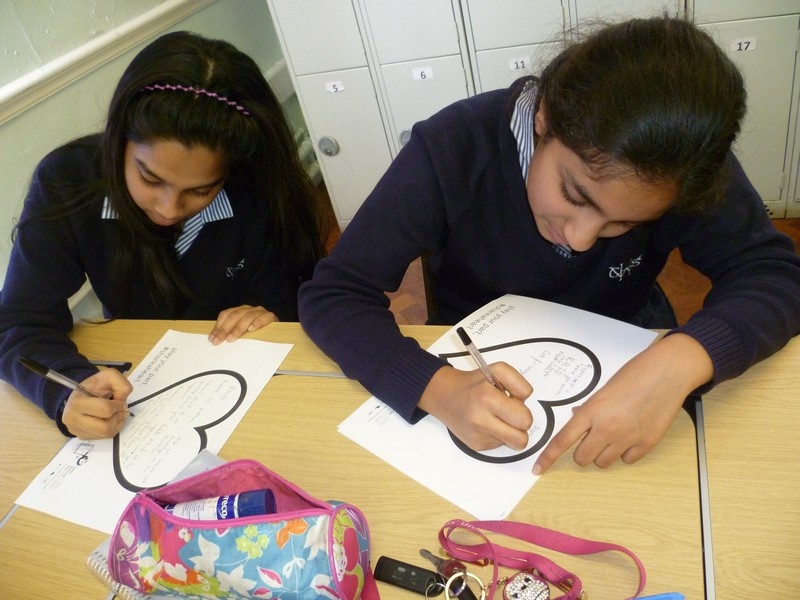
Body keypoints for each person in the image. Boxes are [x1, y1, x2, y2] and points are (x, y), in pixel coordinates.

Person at [298, 16, 800, 474]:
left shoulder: (682, 166)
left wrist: (684, 358)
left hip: (629, 348)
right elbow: (335, 294)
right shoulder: (455, 147)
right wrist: (436, 386)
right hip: (476, 363)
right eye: (574, 195)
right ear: (544, 117)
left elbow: (773, 275)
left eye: (625, 223)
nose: (580, 239)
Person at [0, 32, 324, 440]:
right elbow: (19, 322)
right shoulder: (68, 179)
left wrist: (274, 313)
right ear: (120, 141)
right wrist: (67, 389)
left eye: (201, 190)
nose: (169, 210)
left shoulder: (258, 186)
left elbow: (304, 290)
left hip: (253, 387)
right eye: (150, 179)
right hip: (143, 387)